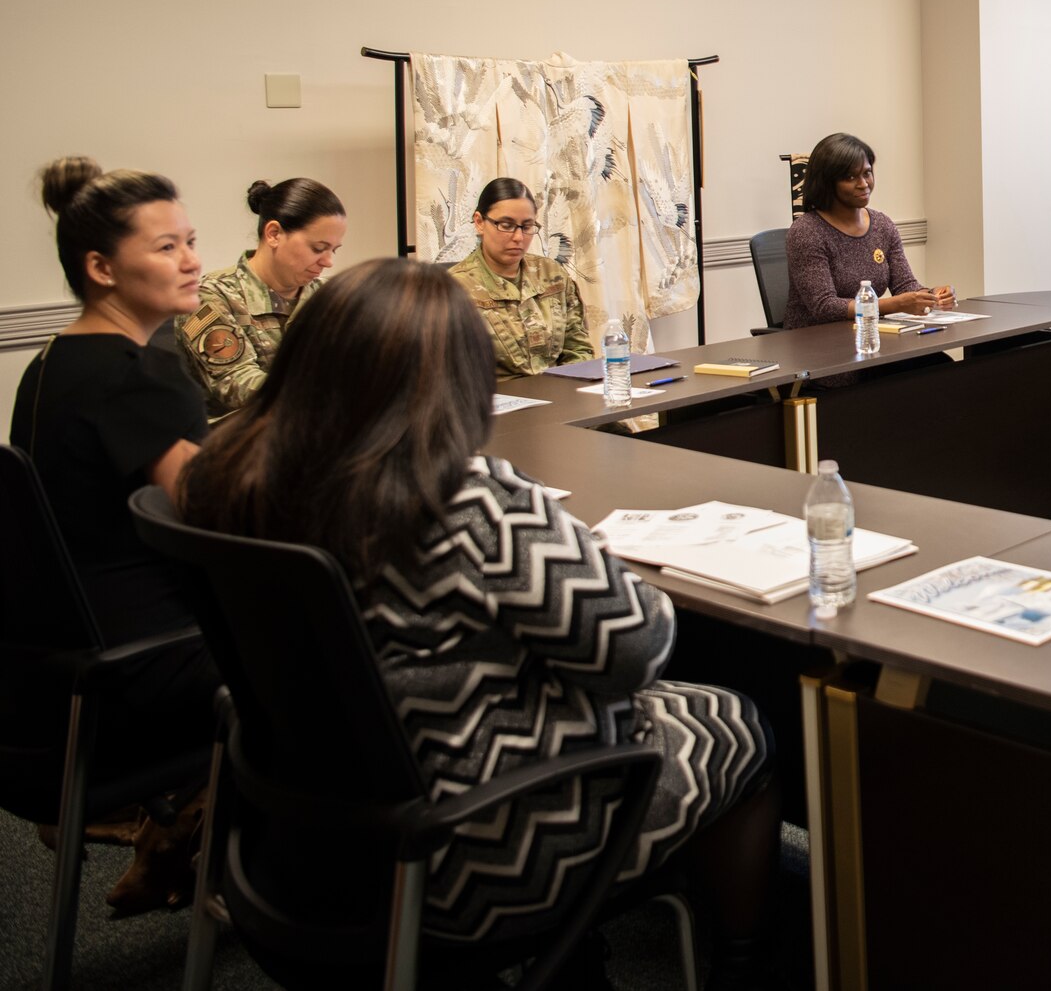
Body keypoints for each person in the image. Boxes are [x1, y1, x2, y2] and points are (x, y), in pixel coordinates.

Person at [179, 258, 776, 965]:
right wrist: (586, 553)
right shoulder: (464, 499)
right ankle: (744, 960)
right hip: (474, 850)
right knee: (740, 720)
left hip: (310, 833)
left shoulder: (229, 480)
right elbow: (634, 652)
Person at [10, 157, 219, 913]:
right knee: (332, 653)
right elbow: (215, 518)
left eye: (191, 240)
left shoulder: (50, 363)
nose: (193, 260)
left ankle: (172, 836)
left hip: (57, 666)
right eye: (166, 247)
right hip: (143, 664)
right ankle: (300, 886)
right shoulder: (140, 372)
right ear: (101, 266)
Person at [179, 177, 346, 420]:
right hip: (241, 444)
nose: (328, 261)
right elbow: (236, 383)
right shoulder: (212, 295)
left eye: (334, 250)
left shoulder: (331, 295)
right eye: (318, 248)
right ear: (274, 233)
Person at [784, 131, 953, 328]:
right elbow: (825, 307)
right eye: (850, 177)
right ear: (827, 183)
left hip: (869, 333)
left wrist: (932, 296)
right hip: (816, 341)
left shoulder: (882, 224)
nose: (863, 184)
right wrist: (896, 304)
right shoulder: (806, 231)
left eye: (867, 173)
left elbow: (904, 286)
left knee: (941, 359)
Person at [447, 177, 593, 377]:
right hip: (495, 402)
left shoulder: (552, 274)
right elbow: (450, 375)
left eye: (527, 227)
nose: (518, 237)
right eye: (506, 225)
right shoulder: (454, 289)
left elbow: (578, 350)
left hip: (560, 398)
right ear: (479, 222)